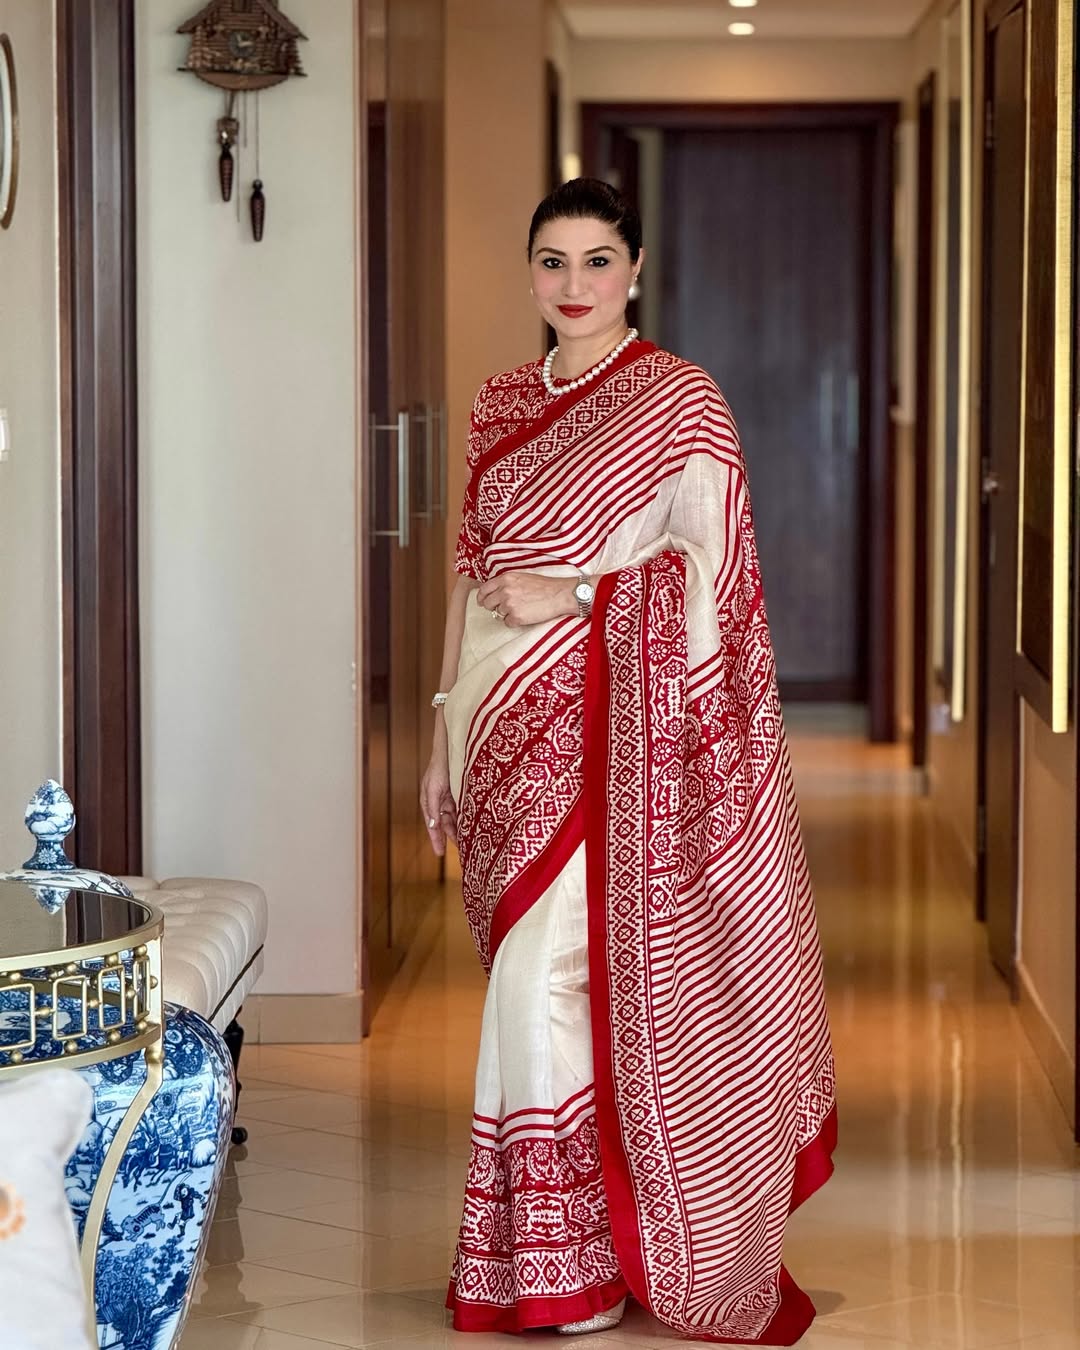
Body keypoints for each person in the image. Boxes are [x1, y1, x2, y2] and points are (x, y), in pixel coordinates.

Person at [420, 177, 836, 1344]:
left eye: (598, 262)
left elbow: (715, 576)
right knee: (523, 972)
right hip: (495, 723)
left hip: (613, 721)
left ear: (638, 270)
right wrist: (438, 733)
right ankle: (543, 1251)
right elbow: (469, 570)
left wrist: (578, 591)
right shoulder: (501, 401)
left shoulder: (679, 399)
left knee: (547, 975)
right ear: (529, 270)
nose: (573, 286)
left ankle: (575, 1266)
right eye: (552, 262)